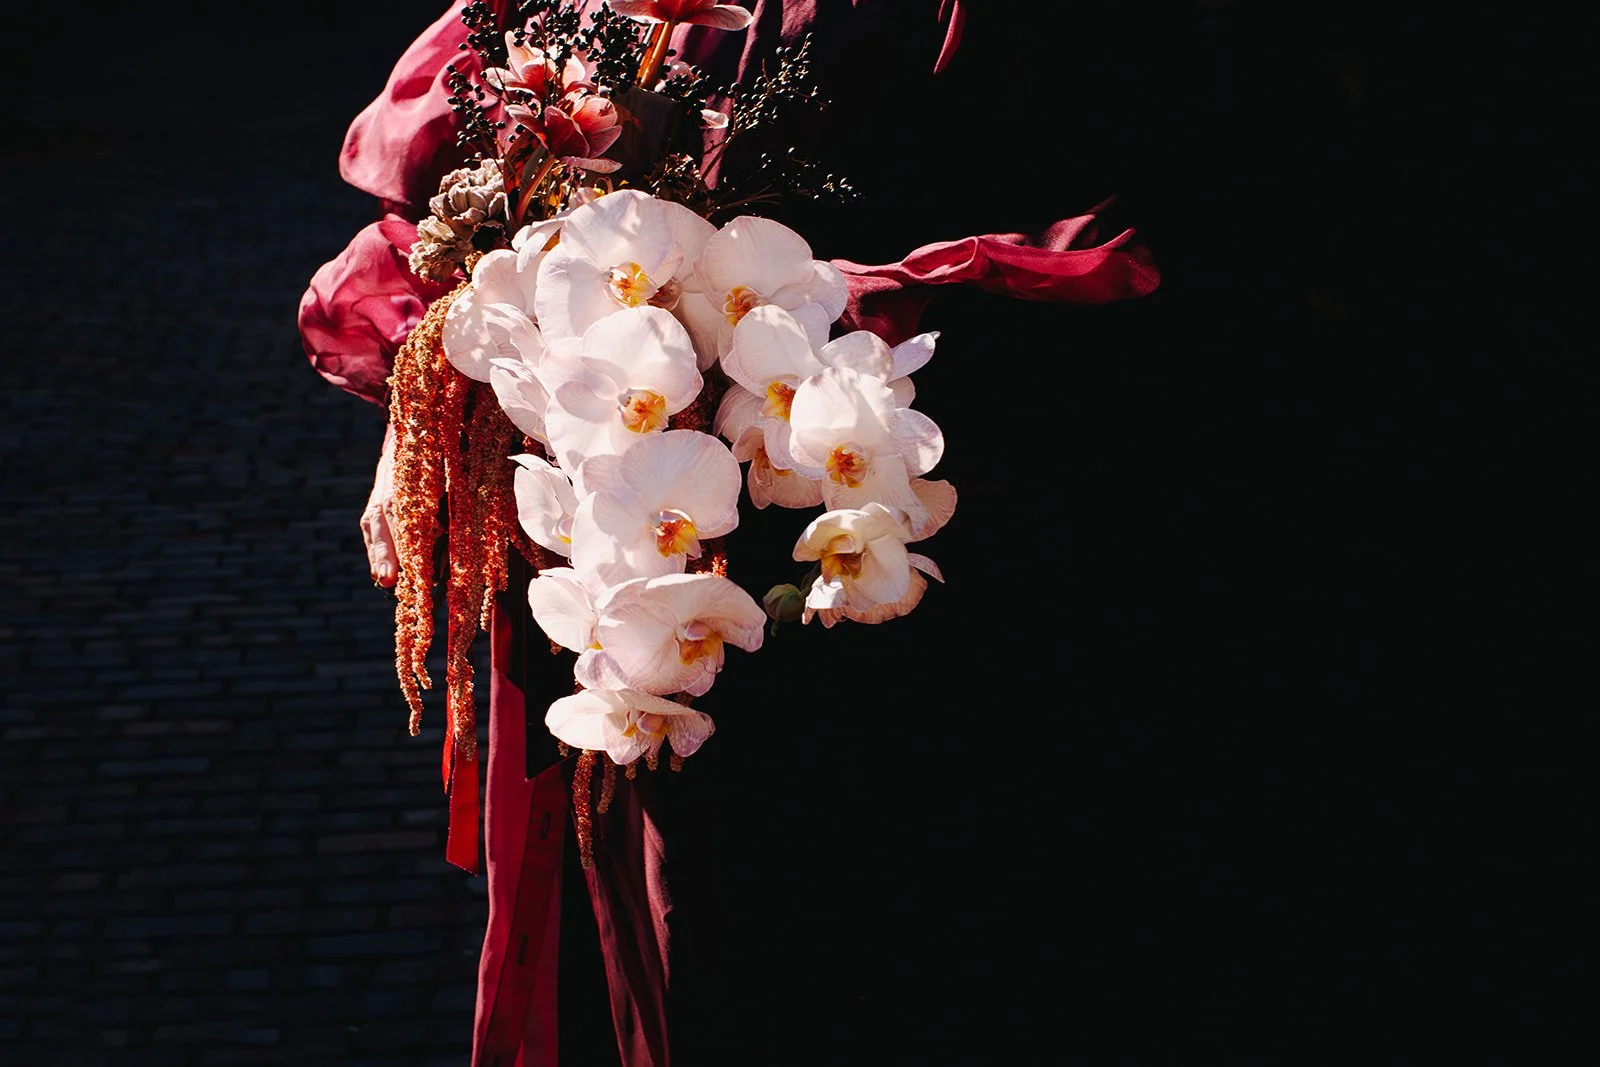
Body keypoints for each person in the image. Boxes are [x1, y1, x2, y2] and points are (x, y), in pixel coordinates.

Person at [299, 2, 1164, 1063]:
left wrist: (788, 329)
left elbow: (1107, 233)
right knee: (673, 931)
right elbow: (449, 195)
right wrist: (438, 380)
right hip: (623, 555)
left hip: (875, 563)